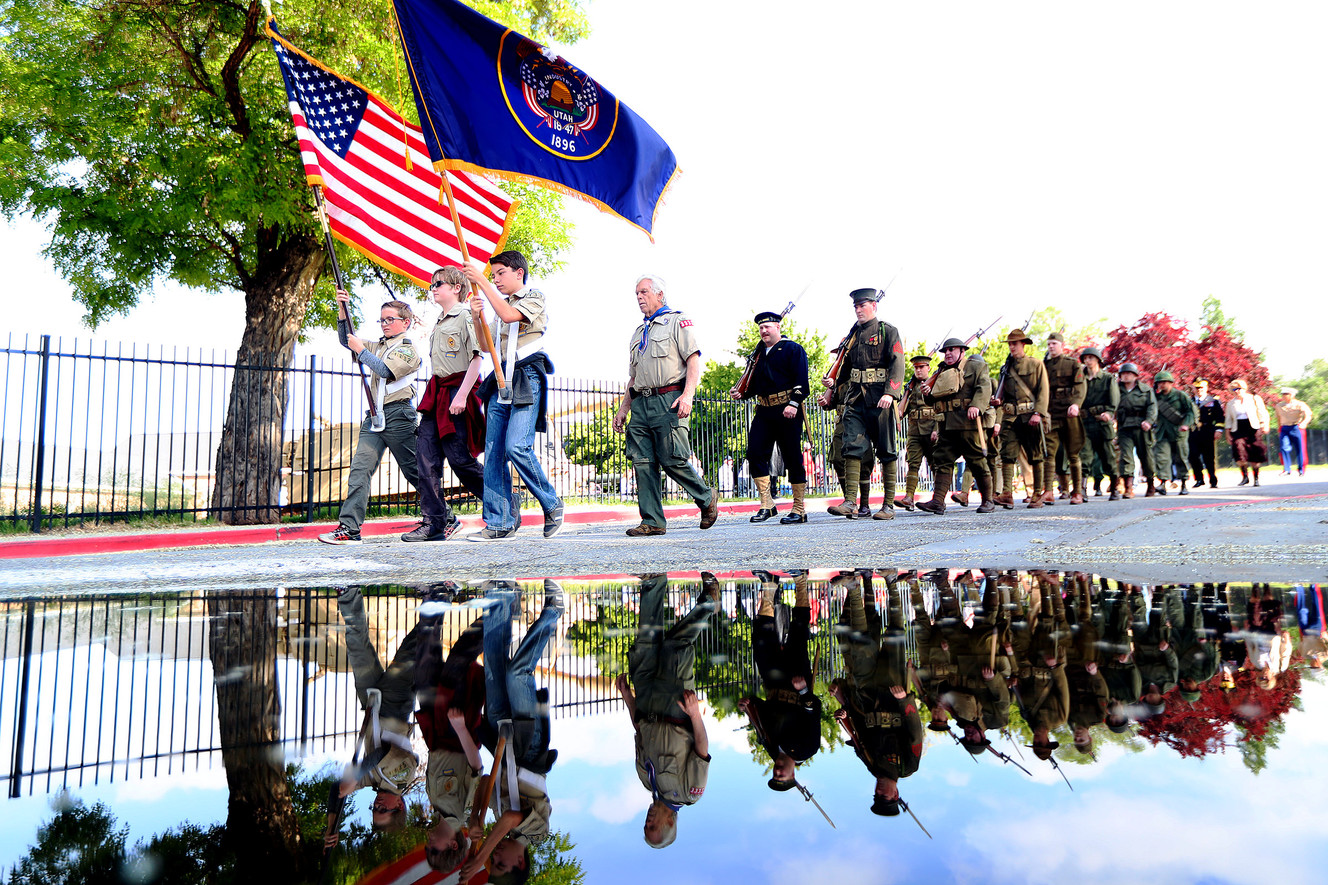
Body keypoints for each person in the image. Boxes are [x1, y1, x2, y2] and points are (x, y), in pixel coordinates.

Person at [462, 580, 563, 882]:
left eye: (492, 861)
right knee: (518, 673)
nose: (495, 857)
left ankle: (500, 595)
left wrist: (475, 817)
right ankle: (553, 611)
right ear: (520, 863)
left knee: (493, 663)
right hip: (528, 746)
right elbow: (511, 818)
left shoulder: (494, 821)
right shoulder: (537, 834)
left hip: (500, 744)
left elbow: (483, 782)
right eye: (501, 864)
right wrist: (479, 856)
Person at [460, 250, 563, 542]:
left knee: (517, 446)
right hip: (500, 377)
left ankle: (552, 503)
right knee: (493, 453)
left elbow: (508, 315)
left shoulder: (534, 296)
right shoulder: (497, 303)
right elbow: (485, 343)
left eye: (500, 273)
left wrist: (481, 281)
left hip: (526, 374)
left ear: (518, 272)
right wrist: (477, 315)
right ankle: (500, 521)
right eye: (492, 276)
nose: (496, 280)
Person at [611, 274, 719, 537]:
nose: (639, 297)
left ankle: (706, 498)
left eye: (644, 292)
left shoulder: (677, 322)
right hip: (641, 402)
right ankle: (653, 520)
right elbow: (633, 377)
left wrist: (688, 395)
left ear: (660, 294)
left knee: (672, 457)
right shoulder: (639, 333)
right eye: (636, 293)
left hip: (668, 399)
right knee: (642, 461)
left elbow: (693, 360)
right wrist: (624, 408)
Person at [620, 573, 717, 847]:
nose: (648, 820)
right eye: (654, 825)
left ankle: (653, 582)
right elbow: (702, 751)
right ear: (670, 823)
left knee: (645, 644)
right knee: (676, 648)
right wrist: (695, 714)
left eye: (645, 824)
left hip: (648, 702)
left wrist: (629, 699)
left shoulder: (646, 781)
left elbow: (640, 733)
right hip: (675, 708)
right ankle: (708, 603)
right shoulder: (689, 793)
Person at [319, 294, 424, 545]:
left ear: (406, 322)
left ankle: (445, 516)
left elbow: (384, 370)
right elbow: (348, 341)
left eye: (390, 319)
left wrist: (361, 350)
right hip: (375, 417)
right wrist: (342, 311)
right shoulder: (379, 346)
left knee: (415, 472)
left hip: (399, 415)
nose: (385, 324)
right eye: (381, 320)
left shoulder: (408, 350)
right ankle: (349, 528)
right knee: (359, 470)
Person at [324, 588, 421, 846]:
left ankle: (348, 593)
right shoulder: (403, 777)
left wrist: (332, 824)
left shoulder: (372, 781)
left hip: (372, 703)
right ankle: (439, 601)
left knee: (357, 647)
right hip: (396, 705)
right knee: (411, 650)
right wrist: (356, 778)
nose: (376, 806)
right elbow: (381, 753)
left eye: (374, 810)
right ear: (399, 806)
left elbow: (337, 789)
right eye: (382, 810)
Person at [831, 571, 923, 817]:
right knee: (895, 632)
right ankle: (892, 583)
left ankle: (854, 588)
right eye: (884, 796)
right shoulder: (907, 767)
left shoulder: (870, 765)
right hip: (894, 691)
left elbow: (858, 731)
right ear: (895, 795)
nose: (879, 791)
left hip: (866, 692)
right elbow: (915, 732)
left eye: (876, 796)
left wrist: (844, 705)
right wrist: (904, 700)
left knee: (861, 644)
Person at [405, 267, 487, 542]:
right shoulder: (439, 321)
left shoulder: (465, 316)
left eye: (439, 283)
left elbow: (477, 358)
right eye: (432, 284)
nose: (433, 288)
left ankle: (502, 501)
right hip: (437, 395)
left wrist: (463, 396)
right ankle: (434, 523)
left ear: (456, 287)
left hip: (458, 391)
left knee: (460, 460)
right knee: (425, 458)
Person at [821, 288, 906, 519]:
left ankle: (888, 506)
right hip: (856, 399)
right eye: (856, 306)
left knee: (887, 450)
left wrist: (891, 392)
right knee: (851, 446)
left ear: (874, 306)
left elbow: (898, 362)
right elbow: (846, 366)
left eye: (863, 305)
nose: (858, 310)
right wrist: (833, 383)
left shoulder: (887, 331)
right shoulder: (852, 335)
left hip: (881, 398)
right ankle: (850, 501)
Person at [416, 603, 486, 872]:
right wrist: (460, 728)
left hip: (435, 726)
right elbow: (477, 768)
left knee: (425, 664)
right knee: (459, 660)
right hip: (455, 728)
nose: (428, 842)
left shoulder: (437, 806)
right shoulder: (463, 812)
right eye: (434, 849)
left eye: (426, 849)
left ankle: (435, 599)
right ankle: (502, 610)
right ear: (453, 845)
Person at [740, 571, 822, 790]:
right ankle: (801, 582)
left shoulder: (771, 748)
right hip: (797, 685)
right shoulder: (807, 749)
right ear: (793, 775)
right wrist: (804, 691)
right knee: (798, 633)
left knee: (761, 640)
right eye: (782, 778)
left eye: (774, 776)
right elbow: (815, 712)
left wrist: (749, 705)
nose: (777, 773)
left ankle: (769, 587)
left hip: (773, 685)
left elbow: (764, 714)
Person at [732, 311, 811, 523]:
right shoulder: (757, 355)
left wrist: (794, 403)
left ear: (778, 328)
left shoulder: (793, 349)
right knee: (755, 453)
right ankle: (767, 504)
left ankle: (799, 508)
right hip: (765, 410)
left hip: (788, 409)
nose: (764, 331)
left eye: (768, 327)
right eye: (761, 328)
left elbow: (802, 382)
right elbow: (755, 384)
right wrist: (742, 392)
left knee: (793, 457)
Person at [918, 338, 995, 513]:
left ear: (962, 351)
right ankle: (937, 501)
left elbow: (984, 387)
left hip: (968, 423)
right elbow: (933, 398)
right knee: (942, 460)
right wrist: (927, 394)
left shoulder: (975, 366)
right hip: (947, 424)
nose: (948, 354)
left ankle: (988, 500)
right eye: (945, 351)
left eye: (952, 350)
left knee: (976, 460)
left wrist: (977, 405)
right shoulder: (941, 371)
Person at [990, 328, 1049, 509]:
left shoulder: (1035, 364)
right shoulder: (1006, 368)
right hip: (1011, 417)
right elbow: (1004, 393)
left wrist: (1038, 413)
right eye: (1009, 344)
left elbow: (1043, 390)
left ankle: (1037, 494)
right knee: (1007, 455)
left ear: (1023, 344)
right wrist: (998, 401)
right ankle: (1007, 493)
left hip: (1030, 416)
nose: (1011, 347)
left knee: (1036, 456)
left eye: (1014, 343)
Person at [1041, 332, 1087, 504]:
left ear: (1061, 345)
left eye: (1054, 343)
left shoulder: (1072, 364)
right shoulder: (1043, 365)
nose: (1051, 347)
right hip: (1051, 413)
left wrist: (1076, 404)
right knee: (1049, 453)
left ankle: (1077, 492)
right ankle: (1048, 491)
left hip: (1069, 412)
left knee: (1073, 453)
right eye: (1049, 344)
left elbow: (1080, 386)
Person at [896, 353, 939, 512]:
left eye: (921, 367)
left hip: (931, 430)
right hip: (914, 431)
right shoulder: (911, 387)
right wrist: (906, 393)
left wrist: (937, 429)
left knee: (935, 464)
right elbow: (901, 412)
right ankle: (909, 497)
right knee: (913, 463)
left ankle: (937, 498)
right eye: (916, 368)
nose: (918, 370)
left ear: (928, 368)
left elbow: (940, 409)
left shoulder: (935, 383)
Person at [1079, 347, 1121, 500]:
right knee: (1085, 456)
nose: (1087, 361)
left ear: (1097, 360)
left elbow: (1114, 400)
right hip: (1084, 422)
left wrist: (1109, 413)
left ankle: (1115, 487)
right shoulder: (1080, 378)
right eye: (1085, 358)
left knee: (1108, 456)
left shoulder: (1108, 378)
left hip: (1102, 423)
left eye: (1091, 357)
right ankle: (1082, 489)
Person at [1151, 370, 1198, 496]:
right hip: (1162, 432)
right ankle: (1163, 482)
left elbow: (1190, 412)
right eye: (1159, 383)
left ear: (1171, 383)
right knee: (1161, 458)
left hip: (1178, 432)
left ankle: (1183, 483)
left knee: (1181, 458)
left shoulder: (1180, 395)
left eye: (1165, 382)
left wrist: (1186, 424)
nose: (1162, 385)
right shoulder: (1155, 397)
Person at [1114, 363, 1158, 498]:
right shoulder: (1115, 390)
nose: (1125, 376)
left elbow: (1152, 406)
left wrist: (1149, 421)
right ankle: (1128, 487)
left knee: (1146, 456)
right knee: (1126, 457)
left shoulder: (1145, 390)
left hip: (1141, 426)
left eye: (1128, 373)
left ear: (1135, 376)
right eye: (1123, 374)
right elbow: (1111, 404)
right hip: (1124, 427)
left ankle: (1150, 484)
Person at [1223, 378, 1270, 486]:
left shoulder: (1254, 398)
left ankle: (1256, 477)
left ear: (1244, 388)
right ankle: (1244, 476)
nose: (1237, 391)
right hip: (1238, 428)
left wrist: (1264, 425)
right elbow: (1228, 419)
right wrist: (1227, 433)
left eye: (1239, 388)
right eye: (1234, 389)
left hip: (1253, 427)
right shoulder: (1231, 403)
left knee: (1255, 452)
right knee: (1239, 451)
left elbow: (1263, 412)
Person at [1189, 378, 1224, 488]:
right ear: (1193, 388)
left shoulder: (1213, 401)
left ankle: (1213, 479)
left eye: (1202, 388)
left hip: (1207, 431)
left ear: (1206, 388)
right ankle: (1199, 479)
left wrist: (1219, 430)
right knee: (1193, 456)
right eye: (1197, 388)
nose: (1199, 390)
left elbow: (1220, 417)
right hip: (1193, 432)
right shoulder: (1189, 401)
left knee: (1209, 457)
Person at [1274, 387, 1313, 476]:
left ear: (1292, 395)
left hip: (1296, 427)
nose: (1283, 396)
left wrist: (1304, 423)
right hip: (1285, 428)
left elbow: (1308, 414)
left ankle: (1301, 469)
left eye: (1286, 394)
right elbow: (1279, 418)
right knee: (1284, 447)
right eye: (1283, 394)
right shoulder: (1279, 406)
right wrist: (1279, 428)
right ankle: (1287, 469)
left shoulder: (1299, 404)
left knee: (1300, 449)